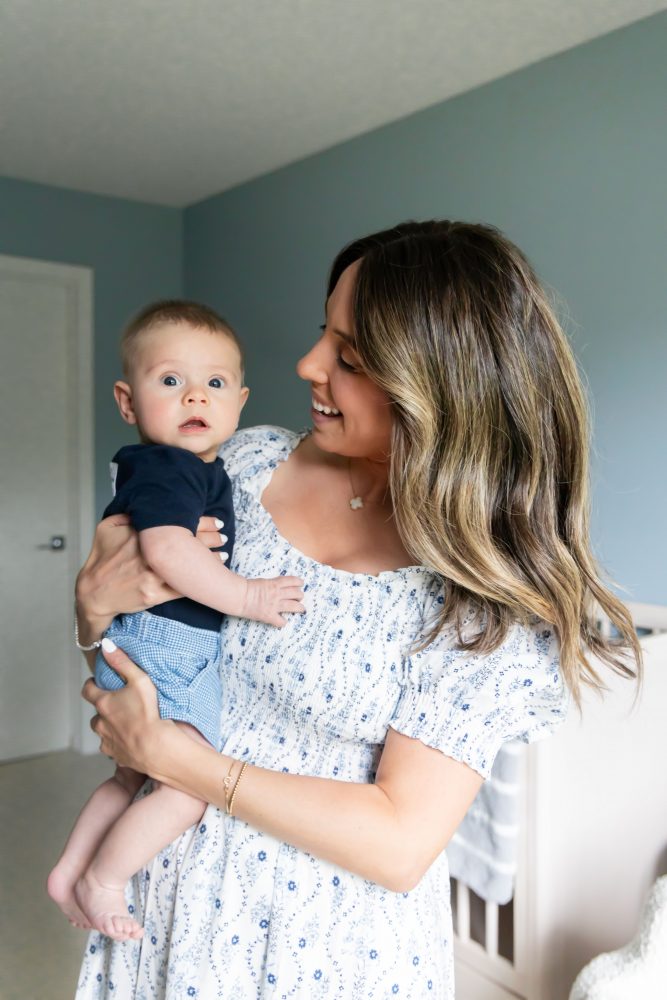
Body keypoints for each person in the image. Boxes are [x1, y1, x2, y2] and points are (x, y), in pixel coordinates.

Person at [73, 221, 640, 999]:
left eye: (349, 356)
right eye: (321, 333)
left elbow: (401, 839)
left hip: (326, 945)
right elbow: (140, 634)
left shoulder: (486, 595)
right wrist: (89, 610)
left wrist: (182, 766)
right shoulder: (240, 466)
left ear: (440, 384)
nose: (307, 365)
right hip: (159, 891)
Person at [47, 301, 304, 943]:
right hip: (166, 646)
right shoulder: (170, 467)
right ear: (128, 401)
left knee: (129, 776)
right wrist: (246, 597)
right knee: (186, 791)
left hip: (140, 639)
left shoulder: (189, 468)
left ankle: (71, 868)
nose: (195, 394)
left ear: (240, 401)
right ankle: (102, 880)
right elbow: (163, 550)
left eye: (215, 383)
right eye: (170, 380)